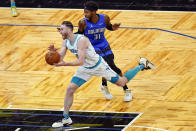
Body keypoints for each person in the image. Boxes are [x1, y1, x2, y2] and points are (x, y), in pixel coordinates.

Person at [51, 21, 155, 127]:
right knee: (70, 89)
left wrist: (64, 64)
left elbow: (80, 61)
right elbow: (61, 56)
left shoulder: (81, 40)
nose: (60, 32)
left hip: (99, 66)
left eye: (61, 29)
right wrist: (53, 54)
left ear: (69, 30)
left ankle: (142, 65)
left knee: (122, 82)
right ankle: (66, 118)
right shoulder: (65, 42)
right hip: (85, 69)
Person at [76, 1, 131, 101]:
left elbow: (108, 26)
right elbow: (78, 35)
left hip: (104, 45)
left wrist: (113, 28)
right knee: (112, 67)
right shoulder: (83, 23)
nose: (85, 14)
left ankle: (104, 85)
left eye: (87, 12)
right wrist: (67, 34)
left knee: (108, 66)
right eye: (84, 12)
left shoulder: (104, 18)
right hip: (93, 48)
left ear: (93, 12)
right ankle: (126, 89)